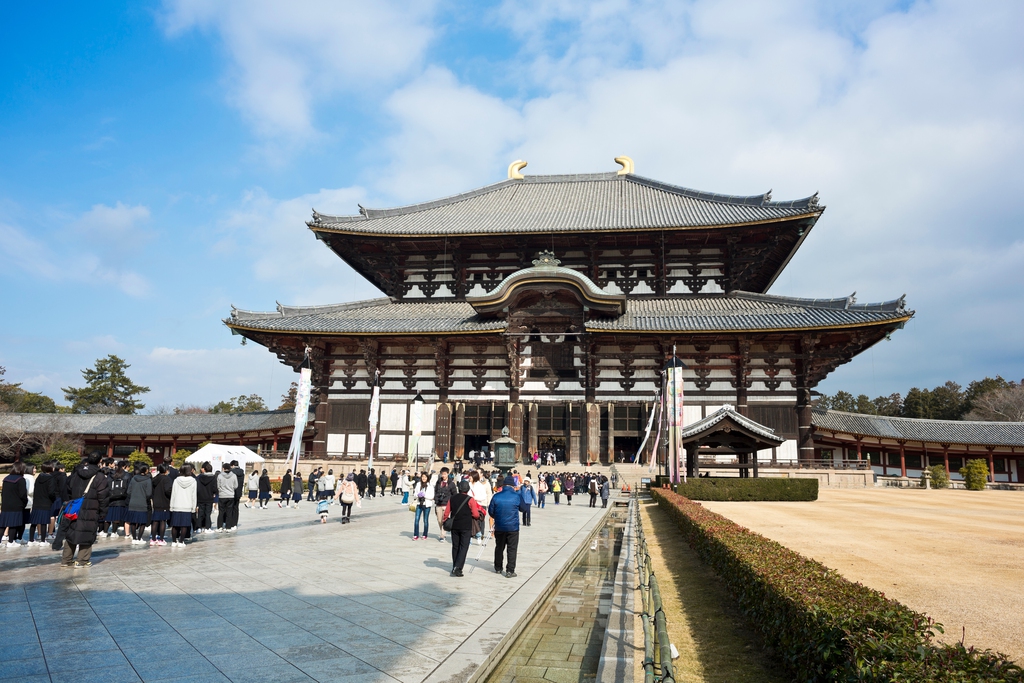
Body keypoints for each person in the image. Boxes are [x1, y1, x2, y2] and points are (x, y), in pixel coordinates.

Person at [60, 453, 110, 567]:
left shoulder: (75, 473)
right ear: (100, 461)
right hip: (92, 508)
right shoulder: (100, 477)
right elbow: (103, 496)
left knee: (72, 532)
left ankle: (66, 560)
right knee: (87, 533)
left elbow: (67, 490)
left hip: (74, 508)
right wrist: (103, 512)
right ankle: (82, 560)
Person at [442, 480, 482, 577]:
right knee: (463, 547)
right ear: (468, 489)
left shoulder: (452, 498)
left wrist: (445, 521)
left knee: (455, 546)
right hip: (466, 526)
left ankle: (454, 566)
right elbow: (475, 514)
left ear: (459, 488)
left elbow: (446, 512)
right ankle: (458, 567)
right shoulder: (470, 499)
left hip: (455, 526)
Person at [488, 476, 524, 578]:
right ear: (513, 486)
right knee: (512, 549)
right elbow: (523, 508)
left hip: (499, 526)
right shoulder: (516, 496)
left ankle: (498, 567)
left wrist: (498, 517)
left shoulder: (496, 496)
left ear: (503, 485)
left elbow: (491, 511)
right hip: (513, 527)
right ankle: (510, 570)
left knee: (499, 547)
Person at [1, 461, 29, 548]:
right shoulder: (20, 480)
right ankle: (10, 542)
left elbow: (3, 493)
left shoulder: (6, 478)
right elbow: (23, 495)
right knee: (13, 523)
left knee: (2, 524)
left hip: (5, 505)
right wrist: (25, 502)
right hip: (16, 505)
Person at [29, 461, 57, 546]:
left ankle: (31, 540)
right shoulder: (51, 478)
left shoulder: (39, 477)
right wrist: (53, 499)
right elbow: (51, 492)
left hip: (37, 502)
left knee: (34, 521)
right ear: (50, 468)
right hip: (46, 502)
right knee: (44, 521)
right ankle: (42, 541)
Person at [124, 462, 153, 546]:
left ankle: (134, 538)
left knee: (133, 521)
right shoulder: (148, 480)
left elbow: (128, 491)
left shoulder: (133, 478)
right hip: (143, 503)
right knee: (142, 522)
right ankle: (139, 538)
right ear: (146, 470)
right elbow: (148, 494)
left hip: (132, 503)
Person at [169, 463, 198, 547]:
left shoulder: (176, 480)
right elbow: (194, 495)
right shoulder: (193, 481)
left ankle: (174, 541)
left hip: (176, 505)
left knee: (175, 525)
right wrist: (193, 507)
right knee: (184, 525)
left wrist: (171, 506)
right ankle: (181, 541)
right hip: (187, 506)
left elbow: (173, 494)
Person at [104, 460, 131, 538]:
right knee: (116, 516)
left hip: (110, 497)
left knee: (108, 516)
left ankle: (105, 532)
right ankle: (114, 532)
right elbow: (129, 488)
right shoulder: (127, 475)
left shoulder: (111, 474)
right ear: (124, 466)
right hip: (122, 499)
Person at [150, 464, 173, 545]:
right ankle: (161, 539)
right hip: (164, 501)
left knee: (155, 521)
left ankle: (153, 539)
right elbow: (168, 490)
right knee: (163, 521)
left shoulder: (155, 478)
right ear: (166, 470)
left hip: (156, 501)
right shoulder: (167, 479)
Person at [433, 467, 456, 543]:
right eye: (442, 474)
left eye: (445, 474)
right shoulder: (438, 482)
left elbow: (454, 494)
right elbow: (435, 491)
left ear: (448, 474)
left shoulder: (451, 484)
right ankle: (443, 530)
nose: (443, 475)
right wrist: (436, 499)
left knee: (444, 520)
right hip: (439, 504)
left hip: (446, 504)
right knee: (439, 520)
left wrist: (451, 503)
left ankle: (442, 535)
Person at [469, 470, 492, 547]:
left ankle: (479, 534)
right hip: (469, 505)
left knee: (477, 521)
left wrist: (475, 498)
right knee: (470, 521)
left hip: (478, 505)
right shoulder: (468, 484)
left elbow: (484, 496)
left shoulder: (481, 485)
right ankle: (471, 537)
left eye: (470, 476)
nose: (469, 478)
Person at [412, 472, 434, 540]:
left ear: (427, 478)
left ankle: (425, 534)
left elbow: (432, 496)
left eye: (425, 477)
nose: (424, 478)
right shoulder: (418, 484)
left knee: (425, 520)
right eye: (423, 477)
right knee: (416, 519)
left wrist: (424, 495)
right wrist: (418, 495)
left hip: (427, 504)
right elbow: (415, 494)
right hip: (419, 504)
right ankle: (416, 534)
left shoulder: (430, 485)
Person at [216, 463, 239, 531]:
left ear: (223, 468)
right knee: (229, 512)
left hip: (222, 495)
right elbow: (236, 486)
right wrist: (231, 489)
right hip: (230, 495)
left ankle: (220, 527)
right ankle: (228, 527)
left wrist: (221, 490)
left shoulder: (219, 476)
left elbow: (218, 486)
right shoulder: (234, 476)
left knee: (221, 512)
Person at [196, 462, 217, 533]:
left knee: (200, 513)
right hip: (209, 498)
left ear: (204, 469)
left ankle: (199, 527)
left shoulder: (199, 477)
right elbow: (215, 488)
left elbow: (198, 488)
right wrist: (214, 493)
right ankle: (207, 528)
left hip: (201, 497)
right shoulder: (213, 478)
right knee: (208, 513)